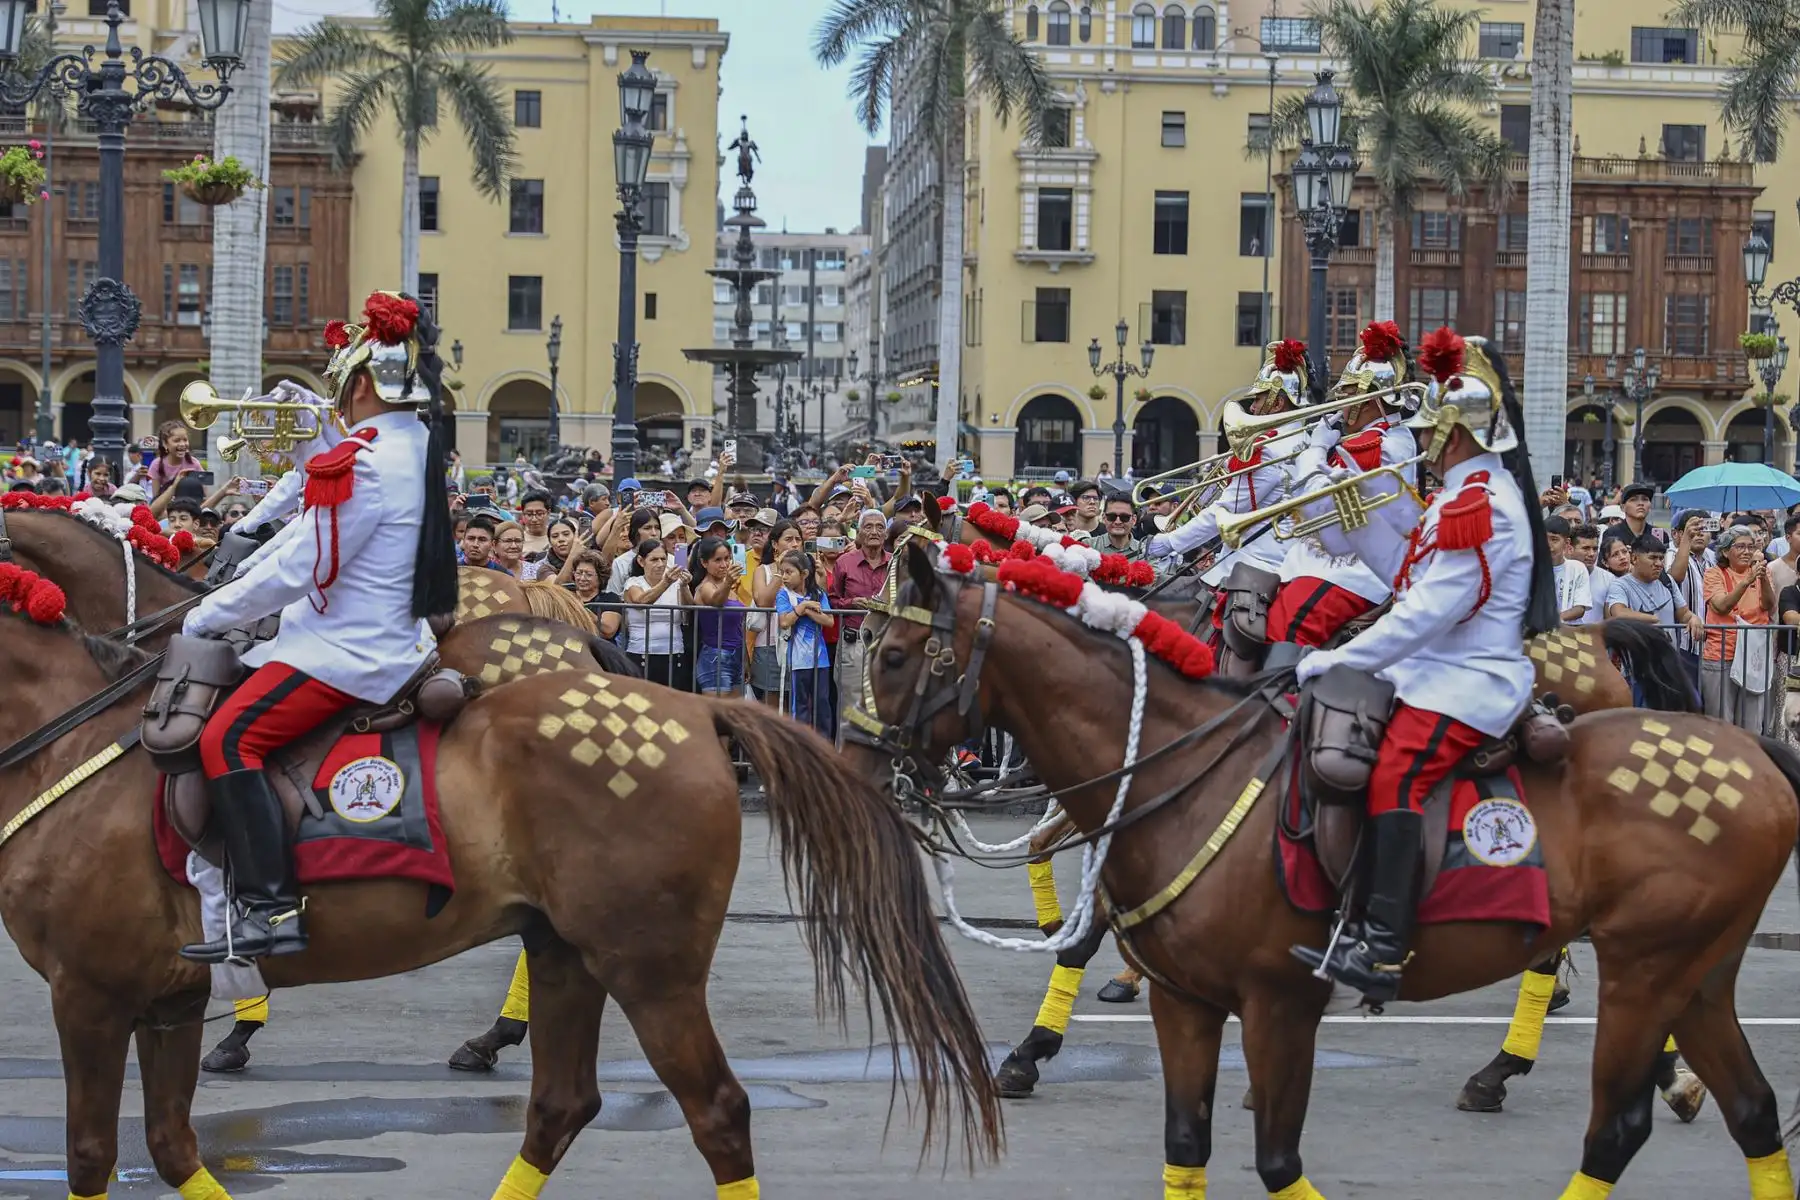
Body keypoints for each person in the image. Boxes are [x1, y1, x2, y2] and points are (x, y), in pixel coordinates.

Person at [177, 288, 454, 962]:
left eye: (338, 386)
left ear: (360, 383)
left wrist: (204, 613)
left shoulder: (365, 463)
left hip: (346, 650)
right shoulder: (410, 440)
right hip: (375, 631)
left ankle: (270, 910)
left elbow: (303, 566)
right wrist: (314, 438)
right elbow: (330, 492)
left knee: (226, 739)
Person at [1292, 329, 1558, 1001]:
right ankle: (1347, 915)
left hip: (1467, 679)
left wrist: (1340, 661)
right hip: (1435, 670)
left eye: (1432, 433)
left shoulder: (1481, 506)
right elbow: (1402, 576)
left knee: (1394, 776)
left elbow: (1428, 612)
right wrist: (1338, 496)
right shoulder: (1459, 496)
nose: (1425, 442)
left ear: (1452, 436)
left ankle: (1383, 945)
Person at [1269, 321, 1420, 648]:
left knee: (1287, 631)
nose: (1340, 405)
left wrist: (1316, 449)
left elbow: (1314, 505)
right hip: (1322, 562)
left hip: (1352, 572)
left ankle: (1279, 700)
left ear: (1369, 401)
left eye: (1348, 395)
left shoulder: (1375, 446)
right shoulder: (1374, 440)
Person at [1606, 533, 1706, 707]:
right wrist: (1653, 620)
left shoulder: (1667, 581)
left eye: (1661, 558)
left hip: (1670, 665)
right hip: (1637, 668)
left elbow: (1683, 612)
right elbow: (1619, 612)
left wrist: (1693, 618)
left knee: (1688, 707)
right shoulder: (1620, 585)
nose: (1659, 563)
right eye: (1652, 558)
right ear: (1635, 558)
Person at [1702, 525, 1777, 729]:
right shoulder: (1713, 574)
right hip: (1722, 653)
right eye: (1740, 546)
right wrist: (1747, 580)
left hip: (1754, 656)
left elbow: (1769, 606)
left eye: (1751, 547)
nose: (1747, 551)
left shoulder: (1763, 572)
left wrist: (1761, 578)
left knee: (1751, 722)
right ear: (1725, 551)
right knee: (1721, 721)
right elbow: (1721, 606)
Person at [776, 549, 834, 734]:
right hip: (798, 661)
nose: (784, 577)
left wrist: (806, 610)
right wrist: (803, 607)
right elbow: (785, 621)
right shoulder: (783, 595)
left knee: (822, 705)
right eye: (782, 572)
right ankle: (799, 746)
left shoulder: (818, 594)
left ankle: (823, 747)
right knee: (799, 707)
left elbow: (829, 621)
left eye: (789, 572)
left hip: (820, 660)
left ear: (804, 574)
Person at [623, 538, 692, 687]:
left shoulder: (676, 584)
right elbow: (641, 601)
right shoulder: (633, 583)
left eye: (663, 559)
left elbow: (688, 612)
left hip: (674, 653)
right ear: (641, 561)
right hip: (640, 654)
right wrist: (666, 582)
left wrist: (685, 586)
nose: (660, 564)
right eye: (654, 559)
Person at [691, 535, 747, 697]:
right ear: (704, 563)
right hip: (715, 658)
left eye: (727, 558)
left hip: (736, 654)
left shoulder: (729, 587)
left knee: (736, 716)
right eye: (718, 560)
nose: (724, 564)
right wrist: (728, 581)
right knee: (718, 714)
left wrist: (745, 660)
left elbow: (739, 626)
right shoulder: (705, 587)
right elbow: (716, 601)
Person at [1544, 515, 1591, 624]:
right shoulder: (1532, 568)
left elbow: (1579, 609)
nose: (1548, 545)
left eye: (1554, 539)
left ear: (1567, 543)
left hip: (1570, 630)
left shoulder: (1577, 568)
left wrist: (1553, 620)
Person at [146, 419, 203, 498]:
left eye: (185, 440)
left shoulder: (194, 464)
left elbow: (203, 495)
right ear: (165, 444)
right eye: (177, 440)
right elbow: (156, 499)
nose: (182, 444)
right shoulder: (156, 465)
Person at [1097, 492, 1142, 556]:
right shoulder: (1089, 547)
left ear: (1134, 520)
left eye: (1124, 517)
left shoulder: (1145, 551)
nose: (1118, 522)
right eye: (1112, 516)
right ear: (1104, 518)